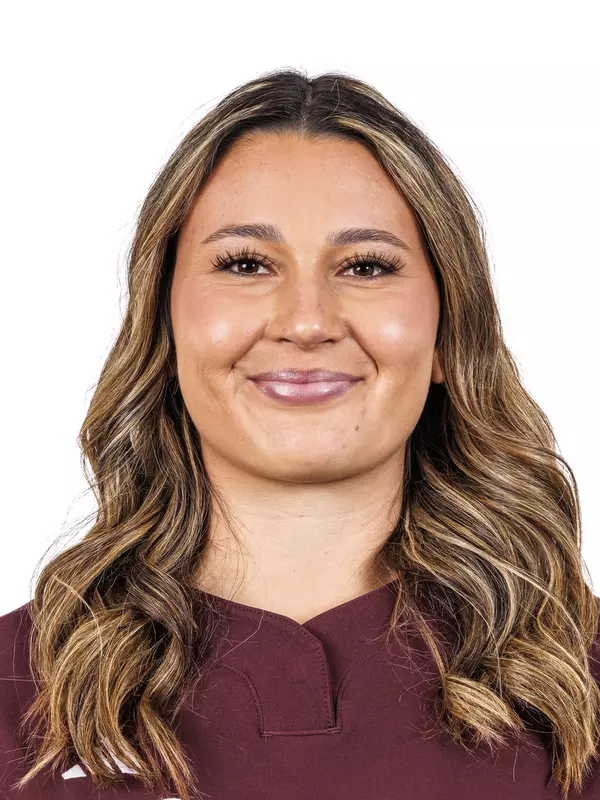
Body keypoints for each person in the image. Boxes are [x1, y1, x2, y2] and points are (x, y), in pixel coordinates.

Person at [0, 67, 598, 800]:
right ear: (164, 321)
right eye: (246, 264)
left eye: (367, 266)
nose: (307, 320)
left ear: (449, 334)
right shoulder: (18, 689)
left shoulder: (580, 681)